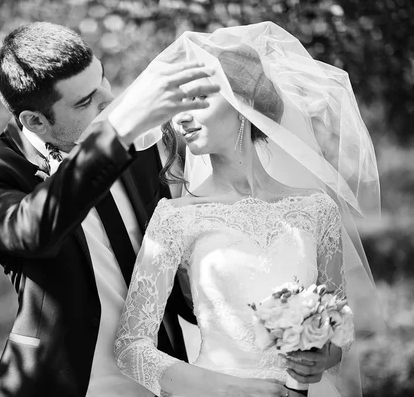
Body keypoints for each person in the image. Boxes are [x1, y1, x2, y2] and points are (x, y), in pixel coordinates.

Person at [0, 22, 229, 397]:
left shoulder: (140, 146)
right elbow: (29, 231)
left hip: (158, 375)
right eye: (85, 102)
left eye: (102, 81)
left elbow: (165, 271)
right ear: (35, 121)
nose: (109, 102)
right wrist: (114, 133)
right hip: (63, 383)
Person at [114, 22, 383, 397]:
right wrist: (229, 389)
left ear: (243, 103)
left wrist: (325, 354)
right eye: (178, 106)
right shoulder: (175, 217)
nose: (181, 119)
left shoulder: (316, 209)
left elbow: (339, 325)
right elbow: (131, 349)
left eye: (198, 100)